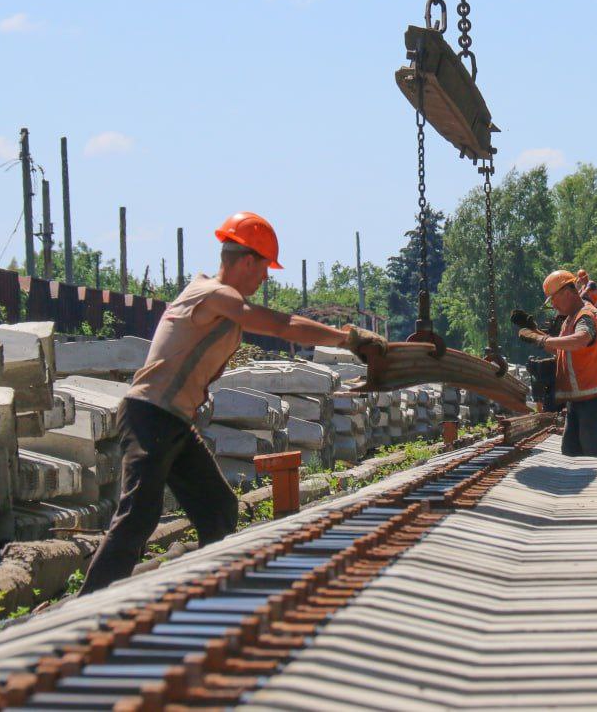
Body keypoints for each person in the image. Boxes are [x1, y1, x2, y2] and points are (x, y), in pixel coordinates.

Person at [79, 212, 388, 594]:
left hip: (173, 422)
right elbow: (282, 325)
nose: (266, 278)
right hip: (150, 416)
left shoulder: (223, 305)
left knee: (219, 510)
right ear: (247, 261)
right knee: (137, 518)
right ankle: (85, 610)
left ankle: (208, 592)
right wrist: (348, 339)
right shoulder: (214, 294)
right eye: (264, 268)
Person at [519, 269, 597, 456]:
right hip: (582, 396)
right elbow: (560, 349)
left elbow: (581, 340)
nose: (553, 304)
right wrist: (536, 334)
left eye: (554, 298)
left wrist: (542, 340)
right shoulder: (571, 319)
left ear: (568, 293)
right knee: (571, 449)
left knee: (593, 446)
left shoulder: (585, 315)